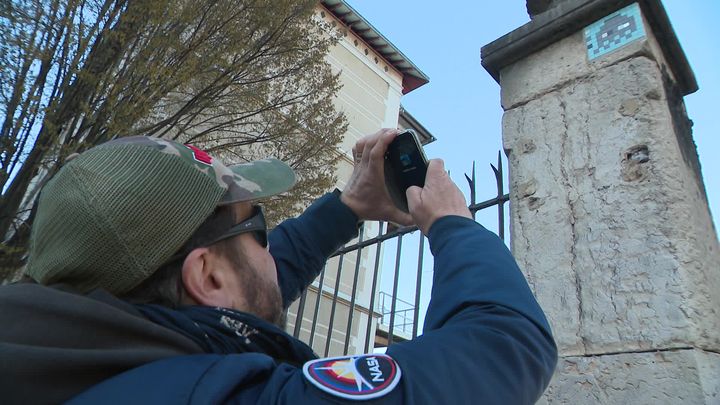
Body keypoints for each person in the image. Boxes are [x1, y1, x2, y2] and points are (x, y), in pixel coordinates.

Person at [0, 129, 557, 404]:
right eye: (258, 230)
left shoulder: (70, 362)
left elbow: (241, 300)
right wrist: (453, 224)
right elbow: (506, 344)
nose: (272, 249)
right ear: (207, 275)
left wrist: (347, 209)